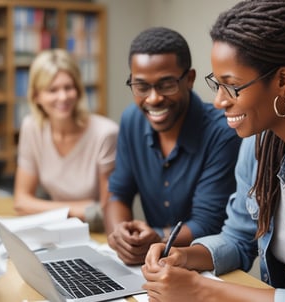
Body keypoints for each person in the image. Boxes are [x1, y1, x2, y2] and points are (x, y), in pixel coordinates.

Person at [141, 1, 285, 301]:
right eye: (216, 84)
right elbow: (238, 238)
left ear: (283, 81)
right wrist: (184, 257)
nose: (219, 101)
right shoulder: (259, 141)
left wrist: (200, 290)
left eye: (232, 86)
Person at [104, 27, 241, 265]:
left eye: (166, 85)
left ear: (189, 80)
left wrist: (159, 239)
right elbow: (118, 194)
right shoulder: (131, 120)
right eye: (141, 86)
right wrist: (121, 236)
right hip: (149, 264)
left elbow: (207, 223)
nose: (153, 98)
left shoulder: (222, 132)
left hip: (205, 267)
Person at [14, 48, 119, 232]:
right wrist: (80, 208)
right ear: (36, 96)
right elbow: (21, 202)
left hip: (97, 233)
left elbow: (106, 213)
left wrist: (42, 208)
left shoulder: (105, 134)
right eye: (52, 90)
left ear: (78, 90)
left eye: (68, 87)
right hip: (55, 229)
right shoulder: (32, 128)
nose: (63, 97)